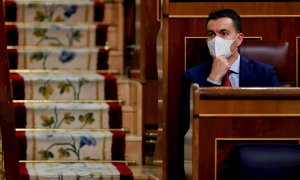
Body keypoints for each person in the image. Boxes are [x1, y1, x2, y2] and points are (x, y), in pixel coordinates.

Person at [179, 8, 280, 137]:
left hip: (253, 140)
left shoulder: (264, 73)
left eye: (224, 33)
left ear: (239, 39)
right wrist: (213, 79)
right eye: (211, 34)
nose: (216, 40)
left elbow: (276, 118)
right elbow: (189, 123)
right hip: (211, 141)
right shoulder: (192, 76)